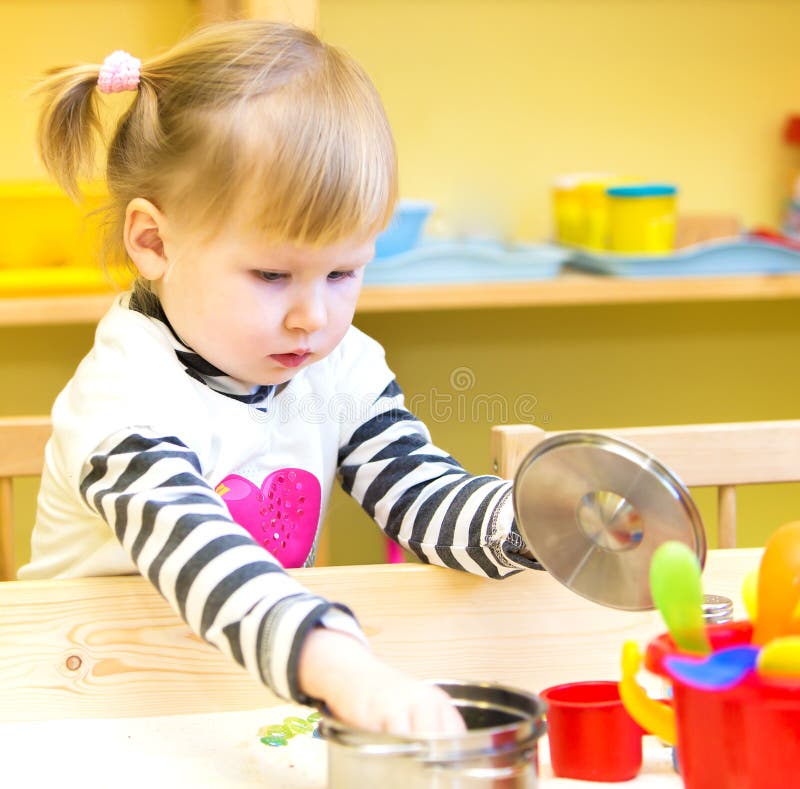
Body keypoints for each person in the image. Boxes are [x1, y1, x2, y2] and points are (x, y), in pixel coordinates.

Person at [20, 20, 539, 736]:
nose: (312, 316)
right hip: (73, 701)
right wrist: (344, 666)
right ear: (154, 242)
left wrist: (536, 521)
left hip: (229, 694)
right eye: (272, 274)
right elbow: (201, 555)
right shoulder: (122, 399)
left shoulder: (339, 364)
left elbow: (420, 496)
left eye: (343, 271)